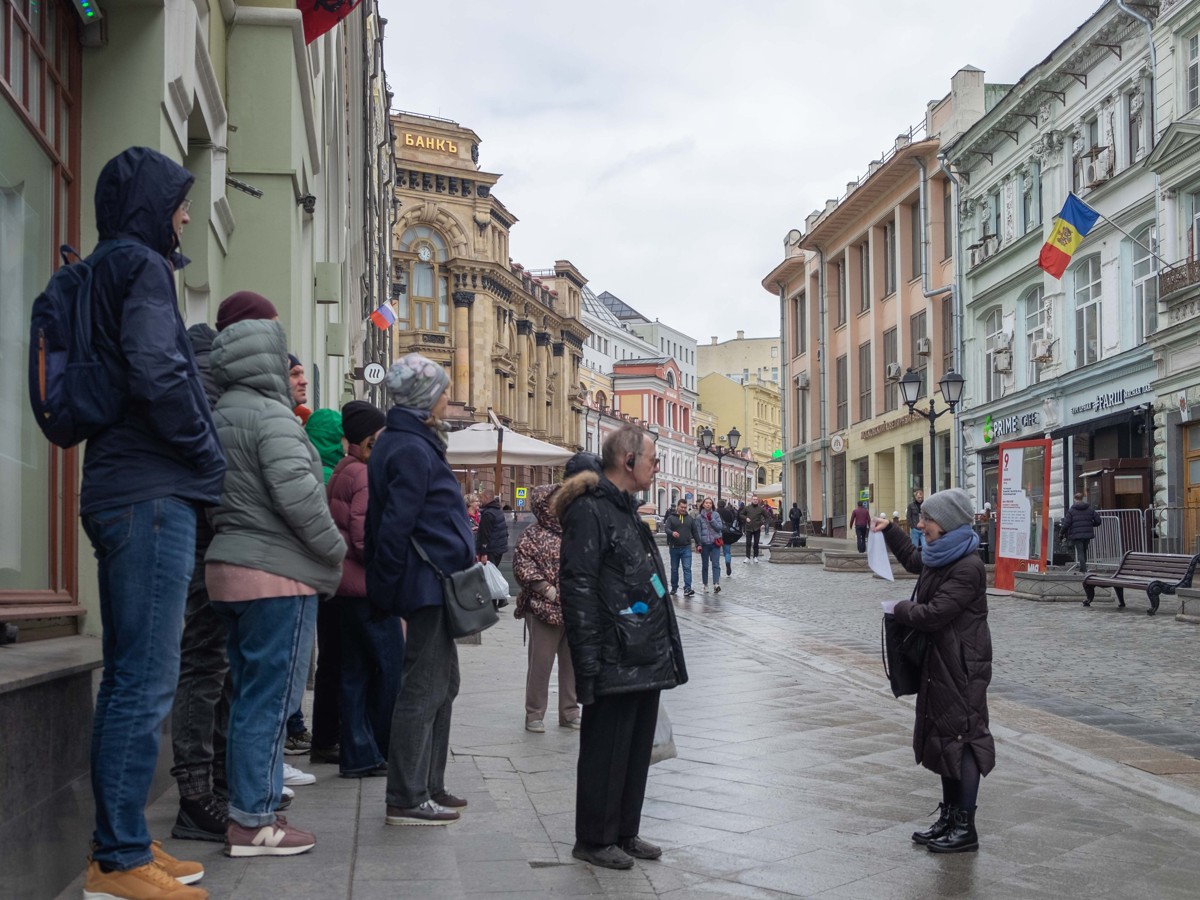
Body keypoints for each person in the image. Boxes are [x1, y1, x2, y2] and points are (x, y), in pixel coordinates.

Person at [76, 147, 223, 899]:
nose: (188, 218)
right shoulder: (141, 267)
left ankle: (120, 844)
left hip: (122, 489)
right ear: (153, 208)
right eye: (180, 204)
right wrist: (206, 452)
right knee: (144, 679)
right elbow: (159, 372)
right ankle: (120, 860)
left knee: (128, 677)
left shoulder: (109, 265)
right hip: (150, 494)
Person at [206, 315, 346, 856]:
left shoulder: (218, 414)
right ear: (266, 359)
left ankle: (249, 806)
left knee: (247, 697)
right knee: (270, 701)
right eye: (286, 360)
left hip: (229, 568)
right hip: (276, 576)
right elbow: (300, 499)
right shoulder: (273, 417)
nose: (297, 374)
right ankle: (255, 821)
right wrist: (334, 550)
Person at [171, 294, 278, 845]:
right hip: (204, 533)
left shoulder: (220, 376)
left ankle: (216, 782)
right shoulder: (209, 374)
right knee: (205, 660)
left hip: (215, 532)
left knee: (220, 662)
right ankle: (196, 795)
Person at [559, 425, 688, 870]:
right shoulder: (590, 510)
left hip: (643, 649)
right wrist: (587, 661)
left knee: (634, 751)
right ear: (628, 461)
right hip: (614, 652)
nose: (657, 467)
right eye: (653, 459)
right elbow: (578, 586)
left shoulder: (627, 508)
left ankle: (623, 831)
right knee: (606, 751)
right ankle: (594, 839)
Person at [366, 353, 474, 826]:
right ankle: (407, 797)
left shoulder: (415, 441)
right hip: (424, 582)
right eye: (442, 391)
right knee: (423, 689)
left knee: (443, 685)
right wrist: (387, 591)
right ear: (424, 397)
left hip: (434, 583)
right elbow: (393, 527)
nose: (448, 398)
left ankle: (429, 783)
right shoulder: (409, 447)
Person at [873, 488, 994, 854]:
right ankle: (949, 818)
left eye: (927, 519)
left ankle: (965, 827)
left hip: (962, 665)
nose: (920, 524)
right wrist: (889, 530)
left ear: (947, 522)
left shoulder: (967, 566)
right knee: (944, 738)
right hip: (940, 660)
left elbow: (934, 614)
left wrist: (899, 609)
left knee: (964, 740)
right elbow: (914, 560)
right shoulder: (941, 553)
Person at [327, 400, 400, 777]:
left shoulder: (343, 469)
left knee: (354, 672)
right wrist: (389, 574)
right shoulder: (365, 475)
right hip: (367, 588)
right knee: (389, 668)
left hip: (343, 587)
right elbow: (363, 538)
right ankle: (380, 748)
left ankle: (356, 754)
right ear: (370, 437)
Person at [514, 483, 580, 733]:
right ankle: (534, 713)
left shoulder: (574, 531)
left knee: (571, 664)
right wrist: (547, 590)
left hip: (572, 609)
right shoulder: (531, 535)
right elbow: (523, 566)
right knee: (540, 664)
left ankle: (570, 712)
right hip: (542, 609)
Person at [305, 408, 345, 766]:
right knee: (338, 662)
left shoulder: (306, 467)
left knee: (325, 662)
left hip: (308, 578)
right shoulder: (332, 475)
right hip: (335, 579)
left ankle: (319, 734)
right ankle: (330, 737)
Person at [663, 498, 700, 597]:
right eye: (681, 507)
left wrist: (699, 544)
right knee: (674, 569)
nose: (683, 509)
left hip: (686, 547)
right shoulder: (671, 518)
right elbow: (666, 529)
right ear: (678, 506)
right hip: (674, 547)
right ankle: (674, 587)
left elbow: (695, 532)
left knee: (687, 568)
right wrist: (672, 533)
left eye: (685, 507)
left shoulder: (690, 519)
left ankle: (687, 588)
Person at [1061, 492, 1102, 574]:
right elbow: (1098, 521)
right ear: (1082, 499)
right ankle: (1083, 568)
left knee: (1080, 552)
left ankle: (1083, 569)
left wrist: (1061, 532)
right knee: (1084, 551)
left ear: (1074, 499)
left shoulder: (1071, 511)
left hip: (1076, 534)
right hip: (1087, 534)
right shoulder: (1090, 509)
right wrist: (1091, 524)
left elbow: (1066, 524)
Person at [476, 486, 510, 567]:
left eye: (481, 497)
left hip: (491, 550)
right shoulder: (498, 510)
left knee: (489, 572)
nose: (480, 500)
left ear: (486, 497)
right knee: (493, 570)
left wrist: (483, 553)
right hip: (499, 548)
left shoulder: (488, 514)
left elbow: (485, 534)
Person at [696, 497, 723, 594]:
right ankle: (705, 584)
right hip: (704, 544)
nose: (708, 504)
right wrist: (698, 544)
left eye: (710, 503)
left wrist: (711, 519)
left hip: (715, 543)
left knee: (716, 564)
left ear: (712, 505)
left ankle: (716, 584)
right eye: (706, 503)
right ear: (703, 504)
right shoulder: (699, 517)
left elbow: (719, 527)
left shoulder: (716, 515)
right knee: (705, 565)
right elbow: (698, 531)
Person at [740, 496, 766, 563]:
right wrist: (746, 518)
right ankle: (747, 557)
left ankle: (755, 557)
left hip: (757, 528)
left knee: (756, 543)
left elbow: (767, 517)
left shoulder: (761, 509)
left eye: (756, 499)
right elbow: (741, 514)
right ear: (751, 500)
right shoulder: (747, 508)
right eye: (754, 499)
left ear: (758, 500)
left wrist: (763, 524)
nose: (755, 500)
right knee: (748, 543)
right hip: (749, 527)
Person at [717, 499, 738, 576]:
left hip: (718, 533)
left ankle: (717, 567)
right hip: (727, 533)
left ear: (717, 505)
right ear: (724, 505)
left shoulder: (715, 512)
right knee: (727, 552)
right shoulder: (728, 512)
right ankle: (728, 563)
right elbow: (732, 521)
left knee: (716, 551)